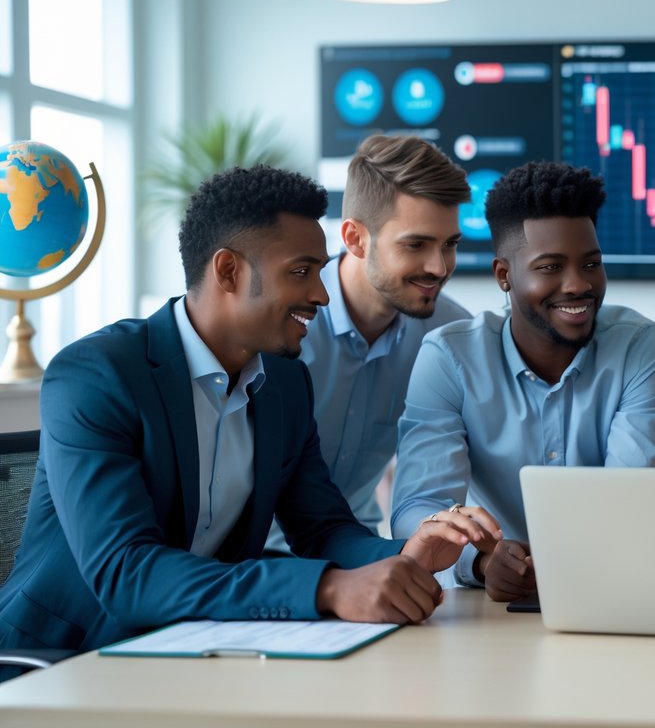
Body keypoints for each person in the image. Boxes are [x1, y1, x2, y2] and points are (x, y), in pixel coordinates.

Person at [0, 166, 501, 676]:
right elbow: (127, 571)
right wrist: (328, 587)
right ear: (228, 271)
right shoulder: (97, 375)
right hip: (62, 664)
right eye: (302, 272)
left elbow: (322, 529)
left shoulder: (284, 382)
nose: (322, 295)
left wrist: (402, 554)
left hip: (199, 651)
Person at [391, 161, 655, 602]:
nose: (578, 285)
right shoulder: (448, 358)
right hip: (489, 610)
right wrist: (482, 563)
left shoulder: (640, 347)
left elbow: (629, 502)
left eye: (591, 263)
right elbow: (418, 509)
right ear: (504, 275)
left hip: (612, 591)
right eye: (550, 267)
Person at [264, 135, 471, 553]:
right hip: (252, 560)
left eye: (449, 244)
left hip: (359, 554)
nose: (439, 267)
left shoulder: (450, 337)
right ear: (355, 239)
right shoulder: (279, 325)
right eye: (416, 245)